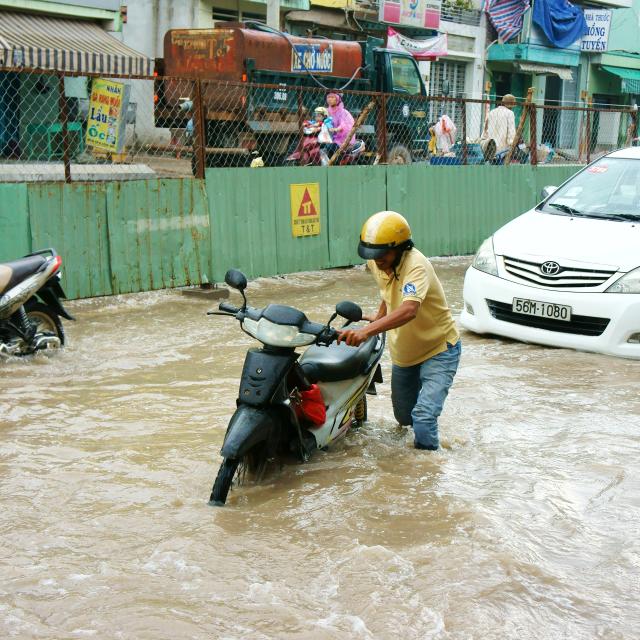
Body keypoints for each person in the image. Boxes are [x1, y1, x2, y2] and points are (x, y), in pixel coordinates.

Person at [337, 211, 461, 451]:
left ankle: (426, 474)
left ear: (401, 248)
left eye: (382, 254)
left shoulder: (416, 267)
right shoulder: (377, 263)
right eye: (373, 254)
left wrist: (368, 331)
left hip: (439, 349)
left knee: (423, 417)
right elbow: (388, 290)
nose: (377, 260)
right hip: (405, 353)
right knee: (404, 418)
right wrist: (379, 316)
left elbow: (408, 310)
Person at [320, 92, 355, 163]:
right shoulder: (326, 111)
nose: (329, 99)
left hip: (341, 138)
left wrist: (336, 129)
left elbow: (344, 124)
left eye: (332, 97)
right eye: (328, 97)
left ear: (337, 100)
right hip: (328, 136)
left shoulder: (343, 112)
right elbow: (321, 118)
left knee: (333, 147)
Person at [482, 93, 517, 158]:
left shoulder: (491, 112)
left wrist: (484, 140)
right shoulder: (510, 113)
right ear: (511, 104)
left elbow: (485, 129)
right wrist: (512, 144)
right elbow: (511, 131)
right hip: (503, 149)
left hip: (490, 147)